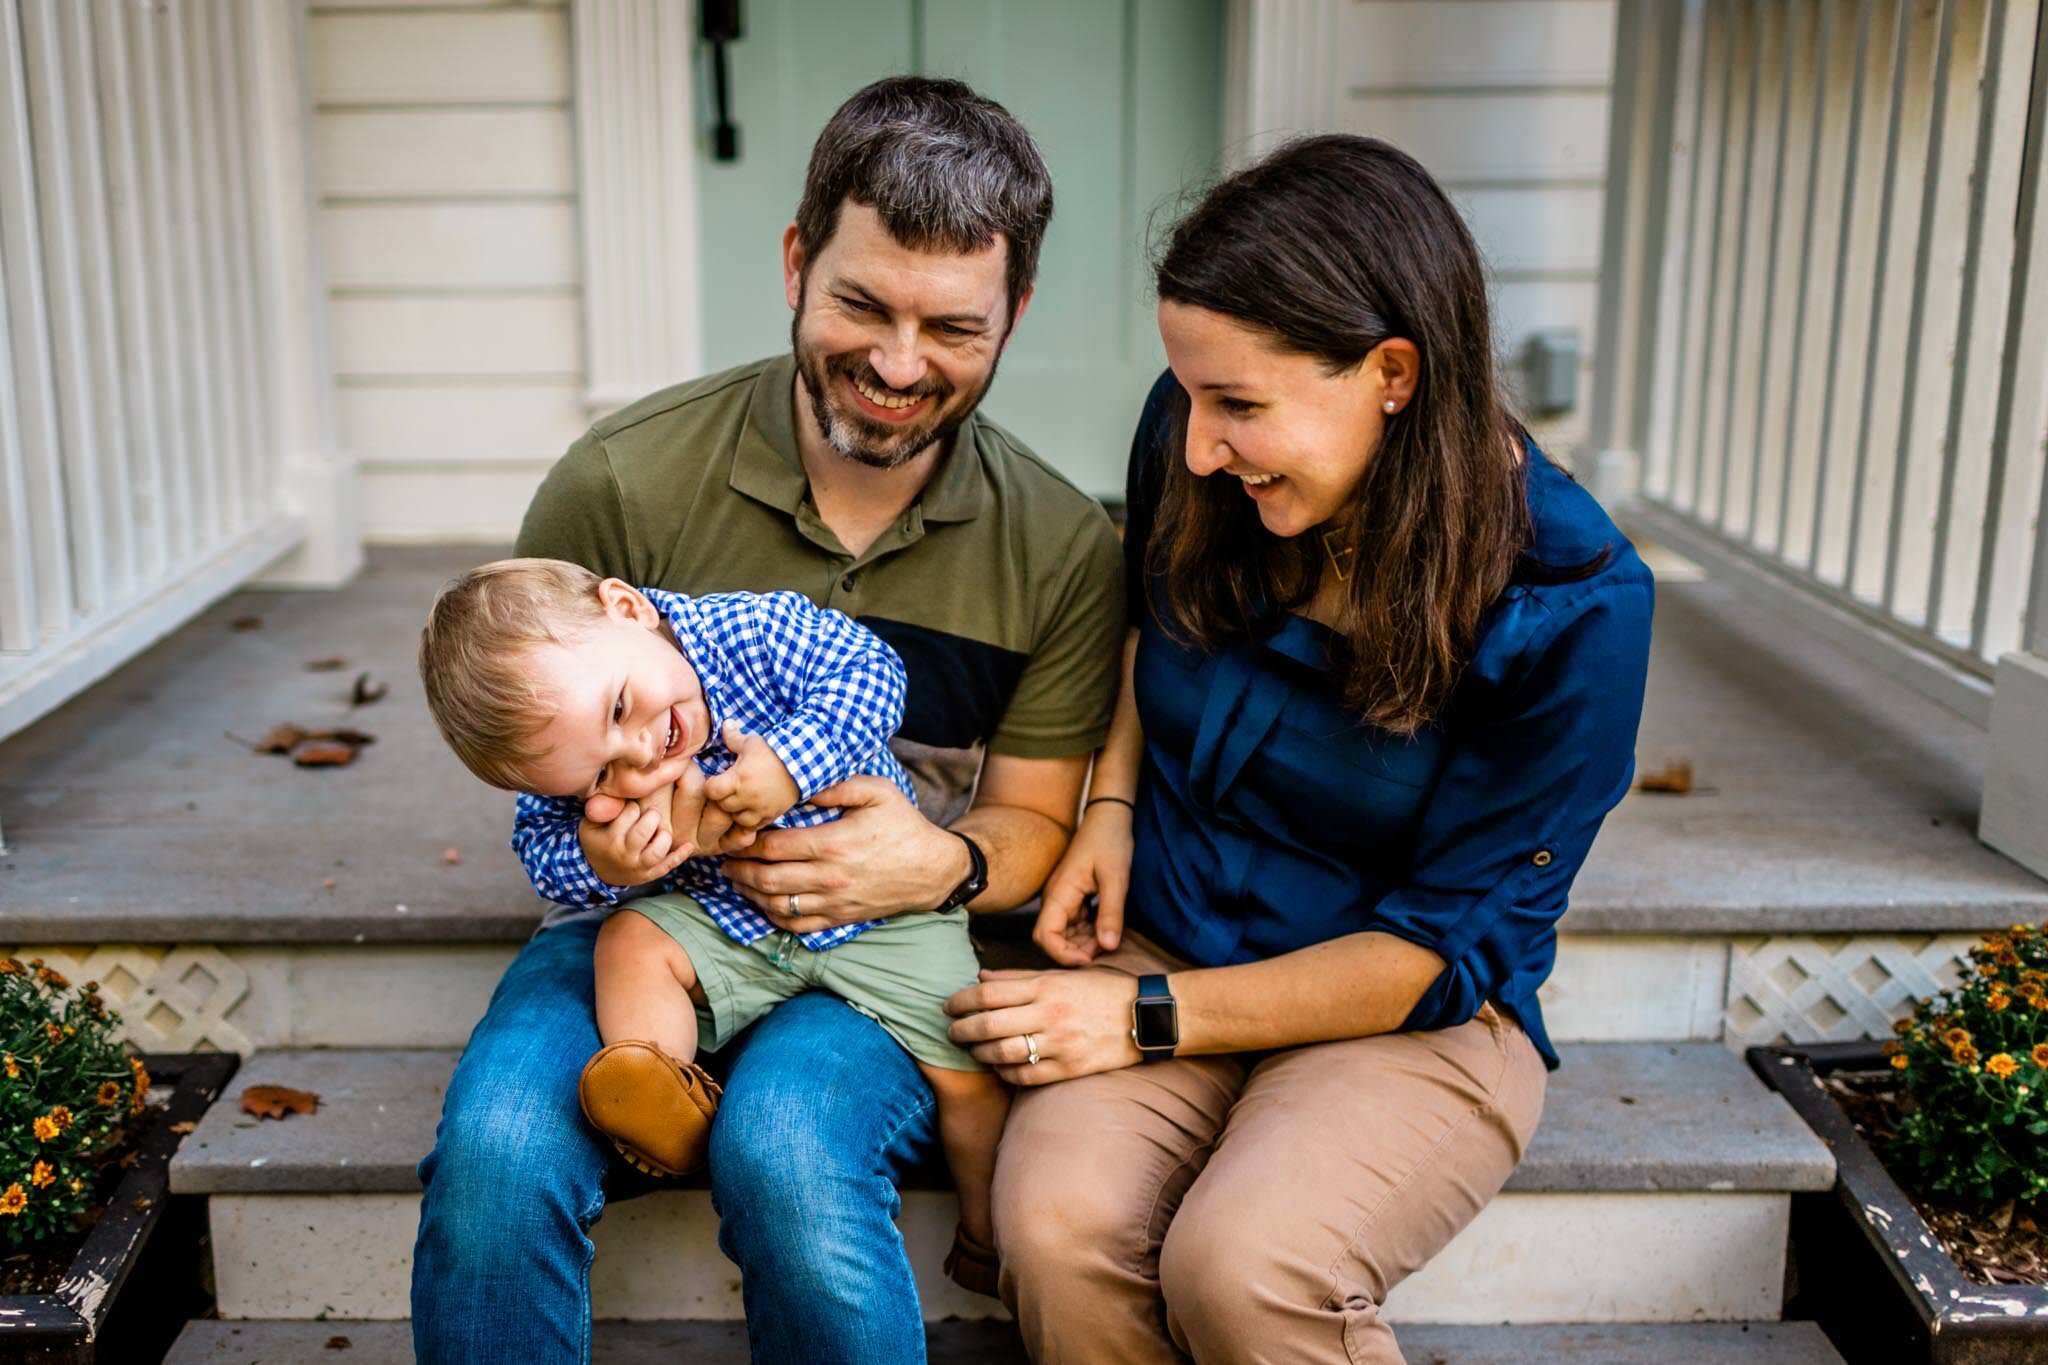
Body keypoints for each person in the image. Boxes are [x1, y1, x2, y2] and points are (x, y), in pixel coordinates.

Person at [409, 77, 1125, 1365]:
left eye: (952, 326)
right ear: (797, 264)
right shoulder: (623, 481)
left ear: (1013, 313)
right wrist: (607, 855)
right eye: (861, 303)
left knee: (789, 1149)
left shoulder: (1061, 545)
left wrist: (942, 860)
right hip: (649, 927)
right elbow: (539, 764)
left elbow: (1031, 823)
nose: (901, 364)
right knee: (501, 1146)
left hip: (876, 954)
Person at [945, 134, 1656, 1363]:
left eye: (1238, 407)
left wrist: (1140, 1023)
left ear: (1389, 372)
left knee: (1242, 1268)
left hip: (1398, 1014)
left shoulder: (1573, 603)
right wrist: (1109, 807)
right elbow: (1146, 618)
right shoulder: (1198, 435)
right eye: (1189, 395)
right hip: (1164, 929)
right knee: (1053, 1226)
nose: (1195, 450)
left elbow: (1426, 951)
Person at [415, 558, 1008, 1287]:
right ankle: (661, 1089)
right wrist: (601, 859)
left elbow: (872, 674)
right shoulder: (580, 741)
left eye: (619, 710)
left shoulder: (751, 631)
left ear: (627, 608)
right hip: (729, 917)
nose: (638, 755)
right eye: (599, 776)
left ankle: (985, 1225)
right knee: (629, 939)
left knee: (968, 1070)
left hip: (881, 912)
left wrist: (791, 763)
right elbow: (539, 847)